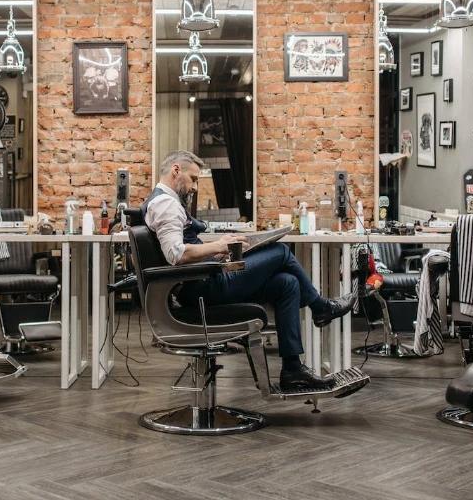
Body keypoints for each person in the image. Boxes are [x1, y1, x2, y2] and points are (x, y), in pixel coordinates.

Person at [143, 150, 355, 392]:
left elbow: (182, 251)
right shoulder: (165, 203)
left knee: (287, 283)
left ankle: (293, 370)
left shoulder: (165, 201)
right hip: (202, 291)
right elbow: (176, 255)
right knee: (281, 252)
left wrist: (217, 252)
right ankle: (321, 308)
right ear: (176, 171)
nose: (195, 187)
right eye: (193, 179)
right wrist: (219, 246)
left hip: (202, 282)